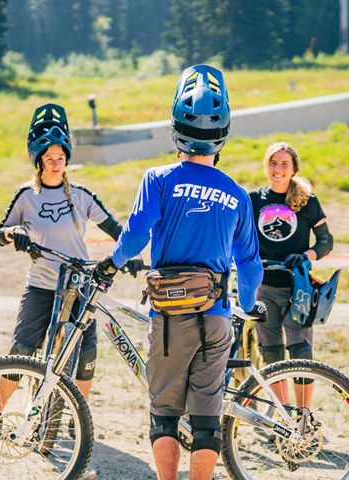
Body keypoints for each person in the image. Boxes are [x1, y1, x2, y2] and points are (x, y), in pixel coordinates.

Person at [93, 65, 265, 480]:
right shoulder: (237, 194)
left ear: (176, 132)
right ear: (222, 136)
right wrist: (247, 304)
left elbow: (136, 235)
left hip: (171, 318)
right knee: (206, 421)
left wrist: (111, 263)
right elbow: (249, 263)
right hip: (216, 316)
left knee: (165, 416)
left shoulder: (158, 179)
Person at [0, 103, 142, 437]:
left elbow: (117, 229)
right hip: (41, 285)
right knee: (22, 349)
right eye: (49, 158)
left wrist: (130, 255)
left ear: (67, 159)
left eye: (60, 157)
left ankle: (78, 418)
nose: (56, 163)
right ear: (39, 161)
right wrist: (15, 233)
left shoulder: (81, 196)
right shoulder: (27, 196)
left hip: (80, 285)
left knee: (87, 353)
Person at [248, 142, 334, 408]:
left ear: (294, 168)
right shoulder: (254, 200)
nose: (278, 168)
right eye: (273, 163)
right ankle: (283, 415)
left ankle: (303, 415)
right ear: (267, 166)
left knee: (301, 351)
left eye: (284, 164)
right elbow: (239, 237)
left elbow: (326, 241)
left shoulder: (307, 200)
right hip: (264, 286)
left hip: (298, 288)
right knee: (271, 353)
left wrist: (306, 256)